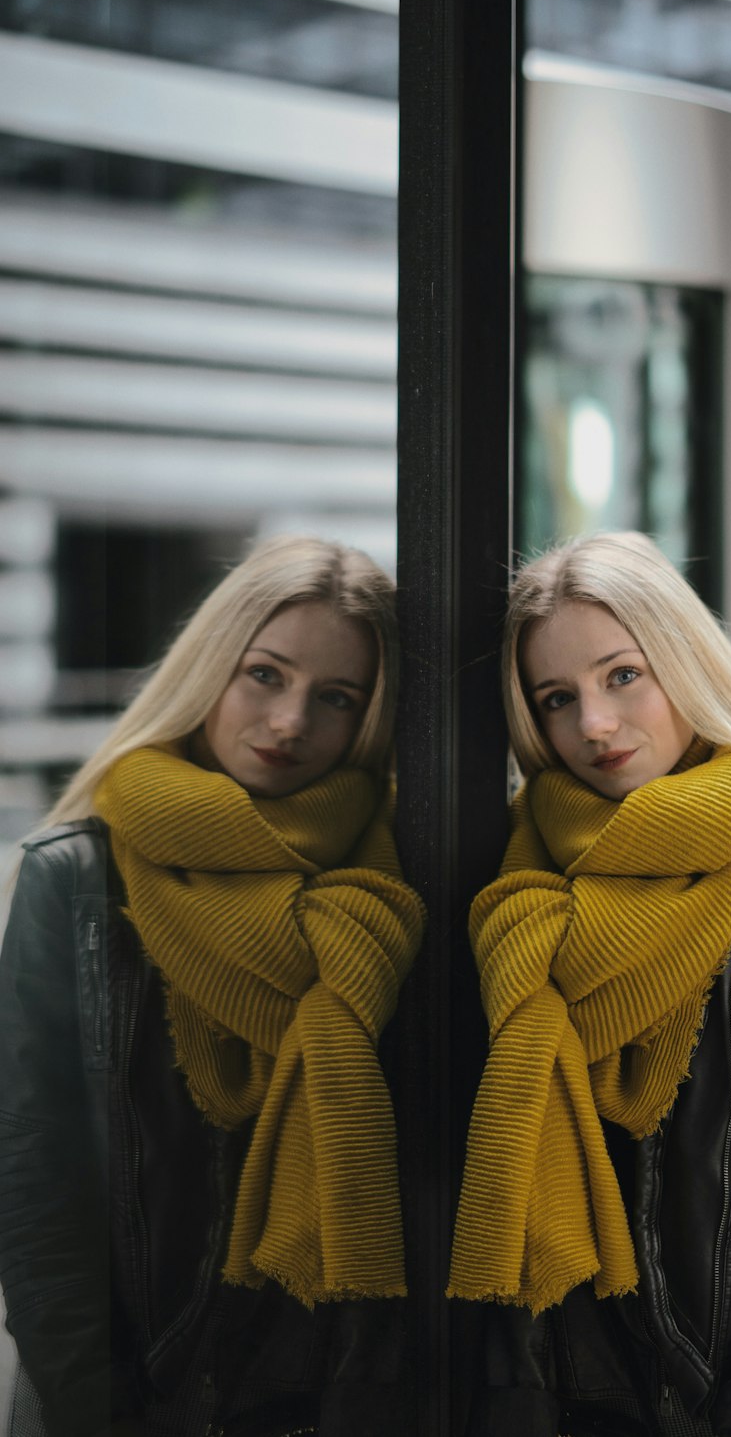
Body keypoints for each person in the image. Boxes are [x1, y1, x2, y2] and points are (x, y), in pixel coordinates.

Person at [449, 531, 731, 1437]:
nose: (595, 725)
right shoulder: (513, 892)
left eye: (623, 675)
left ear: (685, 663)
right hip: (566, 1401)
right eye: (557, 698)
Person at [0, 536, 425, 1437]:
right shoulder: (77, 878)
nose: (288, 722)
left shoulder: (405, 884)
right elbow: (38, 1182)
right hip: (132, 1392)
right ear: (210, 671)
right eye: (264, 676)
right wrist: (93, 1410)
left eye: (336, 698)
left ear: (373, 721)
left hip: (342, 1394)